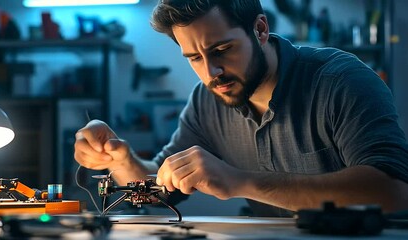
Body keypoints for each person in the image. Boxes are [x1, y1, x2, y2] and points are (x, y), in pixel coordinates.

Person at [74, 0, 408, 217]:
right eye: (194, 58)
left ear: (260, 30)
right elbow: (162, 189)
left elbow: (394, 191)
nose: (210, 72)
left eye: (222, 49)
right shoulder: (208, 100)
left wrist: (240, 182)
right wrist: (123, 160)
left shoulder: (340, 81)